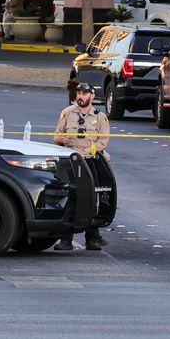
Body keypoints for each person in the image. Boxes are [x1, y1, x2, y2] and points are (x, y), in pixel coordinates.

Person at [53, 81, 110, 251]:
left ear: (92, 96)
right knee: (69, 198)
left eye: (84, 94)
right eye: (78, 93)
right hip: (70, 161)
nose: (80, 96)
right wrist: (59, 139)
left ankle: (92, 238)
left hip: (89, 161)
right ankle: (65, 239)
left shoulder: (100, 117)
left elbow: (103, 142)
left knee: (91, 199)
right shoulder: (67, 113)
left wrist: (87, 150)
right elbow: (56, 135)